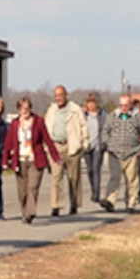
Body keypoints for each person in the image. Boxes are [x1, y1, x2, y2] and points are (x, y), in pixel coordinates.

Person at [2, 95, 60, 225]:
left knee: (32, 188)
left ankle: (30, 212)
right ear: (18, 109)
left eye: (27, 108)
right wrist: (5, 161)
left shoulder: (38, 121)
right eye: (22, 108)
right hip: (20, 160)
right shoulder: (15, 124)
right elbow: (8, 144)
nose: (25, 111)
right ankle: (25, 213)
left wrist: (55, 157)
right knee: (22, 191)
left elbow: (48, 140)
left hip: (36, 159)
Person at [98, 93, 140, 213]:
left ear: (131, 105)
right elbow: (105, 131)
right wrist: (108, 144)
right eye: (121, 105)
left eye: (126, 105)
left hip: (132, 154)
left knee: (132, 180)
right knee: (114, 178)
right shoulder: (112, 116)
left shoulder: (139, 117)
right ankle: (110, 201)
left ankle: (131, 204)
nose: (124, 108)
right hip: (115, 154)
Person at [44, 85, 88, 216]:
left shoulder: (75, 109)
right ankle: (56, 205)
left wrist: (84, 143)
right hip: (55, 146)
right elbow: (46, 128)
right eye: (56, 96)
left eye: (60, 95)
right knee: (56, 177)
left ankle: (74, 205)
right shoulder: (51, 110)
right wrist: (46, 146)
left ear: (66, 95)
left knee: (73, 178)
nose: (58, 98)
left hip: (72, 146)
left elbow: (83, 126)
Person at [82, 93, 107, 207]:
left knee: (96, 169)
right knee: (90, 170)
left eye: (93, 103)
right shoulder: (84, 115)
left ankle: (96, 194)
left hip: (98, 145)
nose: (91, 105)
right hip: (87, 146)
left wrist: (104, 142)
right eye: (89, 103)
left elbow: (106, 129)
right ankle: (93, 189)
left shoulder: (102, 115)